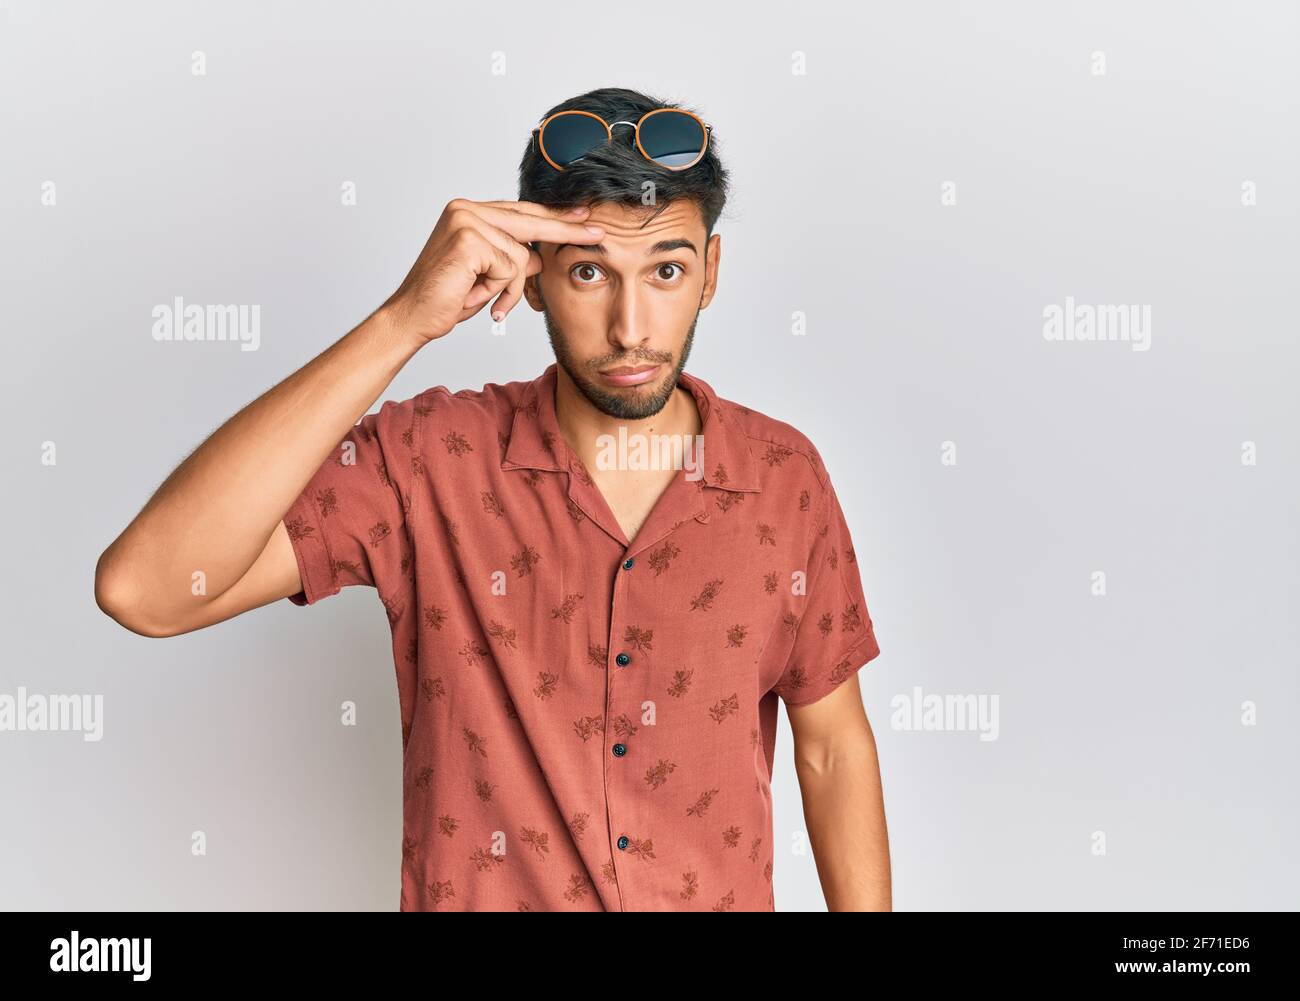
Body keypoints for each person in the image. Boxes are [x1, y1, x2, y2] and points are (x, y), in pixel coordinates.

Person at [95, 87, 890, 912]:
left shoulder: (783, 476)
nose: (630, 327)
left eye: (665, 270)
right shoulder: (429, 461)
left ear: (710, 273)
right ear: (535, 277)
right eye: (589, 272)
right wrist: (404, 321)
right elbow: (144, 589)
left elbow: (831, 747)